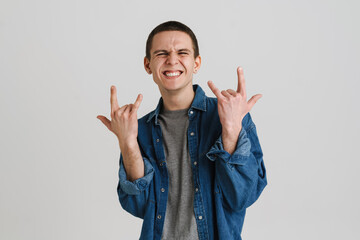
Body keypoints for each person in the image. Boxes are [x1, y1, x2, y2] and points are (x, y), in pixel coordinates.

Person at [97, 20, 267, 240]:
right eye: (161, 53)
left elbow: (243, 196)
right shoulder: (140, 130)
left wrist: (232, 130)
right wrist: (128, 143)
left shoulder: (230, 114)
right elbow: (138, 206)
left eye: (182, 52)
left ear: (196, 63)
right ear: (148, 65)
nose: (172, 60)